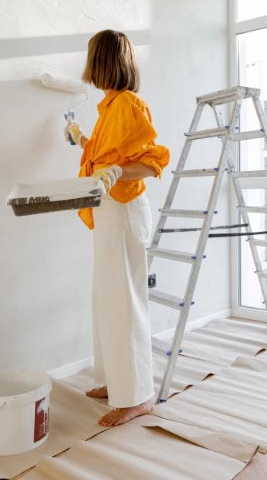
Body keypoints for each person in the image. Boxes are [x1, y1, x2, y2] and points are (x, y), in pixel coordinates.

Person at [66, 30, 170, 427]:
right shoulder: (108, 108)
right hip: (109, 209)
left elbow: (151, 162)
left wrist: (115, 170)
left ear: (101, 61)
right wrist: (81, 140)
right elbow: (108, 156)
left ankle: (138, 396)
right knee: (107, 297)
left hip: (125, 210)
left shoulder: (127, 104)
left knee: (124, 301)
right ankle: (114, 381)